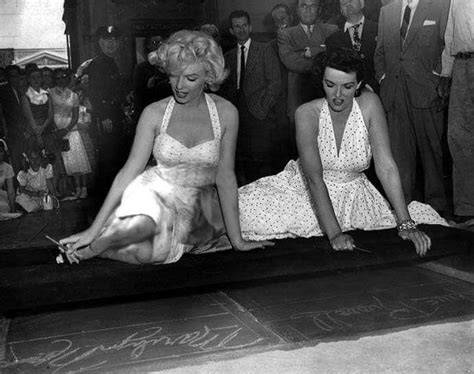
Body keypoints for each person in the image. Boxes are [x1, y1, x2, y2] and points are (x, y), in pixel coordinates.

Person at [59, 30, 271, 265]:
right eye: (173, 75)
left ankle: (103, 244)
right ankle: (97, 241)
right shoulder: (154, 113)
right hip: (154, 195)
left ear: (209, 76)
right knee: (158, 250)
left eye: (191, 78)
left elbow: (225, 177)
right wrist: (92, 228)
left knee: (175, 242)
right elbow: (129, 172)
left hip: (200, 201)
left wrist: (238, 240)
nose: (180, 86)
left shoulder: (226, 112)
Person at [239, 48, 447, 256]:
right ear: (322, 82)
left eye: (347, 87)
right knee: (242, 212)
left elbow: (386, 166)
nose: (338, 95)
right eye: (330, 85)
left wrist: (405, 224)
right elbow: (314, 179)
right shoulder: (306, 114)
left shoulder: (369, 104)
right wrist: (335, 234)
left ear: (358, 85)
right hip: (305, 193)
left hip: (356, 199)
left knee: (427, 220)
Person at [374, 0, 449, 214]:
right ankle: (402, 207)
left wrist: (437, 79)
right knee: (399, 153)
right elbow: (379, 52)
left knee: (432, 152)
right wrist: (383, 78)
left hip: (427, 92)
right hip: (394, 92)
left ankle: (437, 208)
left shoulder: (439, 6)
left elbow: (446, 45)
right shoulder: (386, 11)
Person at [221, 10, 282, 185]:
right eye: (237, 26)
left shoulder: (264, 50)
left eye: (244, 25)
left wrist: (262, 109)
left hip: (259, 115)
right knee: (241, 160)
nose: (241, 30)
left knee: (262, 162)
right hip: (236, 115)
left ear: (250, 27)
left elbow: (275, 83)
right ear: (232, 30)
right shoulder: (228, 56)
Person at [278, 0, 338, 159]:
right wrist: (322, 56)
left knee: (329, 146)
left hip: (326, 95)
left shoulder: (332, 30)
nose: (308, 10)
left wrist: (312, 51)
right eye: (304, 5)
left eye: (313, 6)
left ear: (319, 9)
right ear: (297, 10)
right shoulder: (286, 34)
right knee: (300, 152)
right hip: (298, 95)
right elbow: (291, 62)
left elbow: (336, 57)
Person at [440, 0, 474, 223]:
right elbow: (451, 35)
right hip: (462, 65)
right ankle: (467, 209)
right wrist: (445, 73)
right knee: (459, 136)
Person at [85, 25, 127, 197]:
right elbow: (95, 94)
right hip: (106, 117)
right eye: (106, 40)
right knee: (107, 157)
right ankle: (104, 198)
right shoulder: (97, 64)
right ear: (99, 43)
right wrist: (104, 117)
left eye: (114, 40)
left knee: (114, 155)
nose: (111, 44)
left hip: (115, 115)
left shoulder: (111, 63)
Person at [50, 68, 91, 199]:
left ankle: (83, 188)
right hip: (57, 133)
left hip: (71, 131)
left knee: (80, 161)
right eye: (58, 77)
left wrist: (66, 130)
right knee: (68, 164)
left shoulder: (73, 95)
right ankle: (73, 188)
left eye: (63, 77)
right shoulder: (50, 93)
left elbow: (75, 116)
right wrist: (57, 131)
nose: (61, 79)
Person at [325, 0, 379, 93]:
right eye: (343, 3)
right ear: (341, 10)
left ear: (362, 3)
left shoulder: (380, 30)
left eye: (351, 0)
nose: (348, 4)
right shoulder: (332, 40)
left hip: (378, 90)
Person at [133, 35, 171, 119]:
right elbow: (139, 94)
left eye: (160, 42)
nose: (158, 45)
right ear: (148, 46)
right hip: (150, 108)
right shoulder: (141, 68)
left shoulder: (170, 66)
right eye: (154, 42)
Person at [0, 65, 28, 173]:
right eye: (12, 76)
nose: (15, 79)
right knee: (15, 163)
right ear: (7, 77)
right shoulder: (3, 91)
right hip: (12, 134)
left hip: (27, 132)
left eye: (17, 76)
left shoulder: (23, 89)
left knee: (27, 162)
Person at [15, 146, 57, 213]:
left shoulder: (46, 168)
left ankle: (40, 206)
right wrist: (36, 194)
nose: (34, 161)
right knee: (25, 202)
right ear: (28, 159)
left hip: (42, 195)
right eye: (31, 158)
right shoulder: (24, 173)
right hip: (29, 195)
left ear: (41, 158)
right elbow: (21, 189)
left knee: (50, 203)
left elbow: (49, 183)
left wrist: (54, 196)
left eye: (37, 158)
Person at [0, 139, 16, 213]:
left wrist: (13, 211)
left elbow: (11, 192)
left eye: (1, 151)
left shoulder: (7, 167)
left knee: (4, 208)